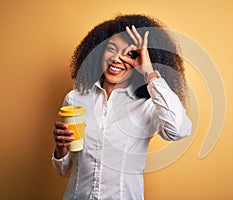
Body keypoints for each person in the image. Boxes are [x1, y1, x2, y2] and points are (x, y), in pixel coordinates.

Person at [52, 14, 192, 200]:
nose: (117, 58)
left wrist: (149, 72)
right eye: (112, 48)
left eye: (130, 53)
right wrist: (61, 149)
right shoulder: (75, 99)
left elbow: (178, 130)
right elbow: (67, 170)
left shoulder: (149, 105)